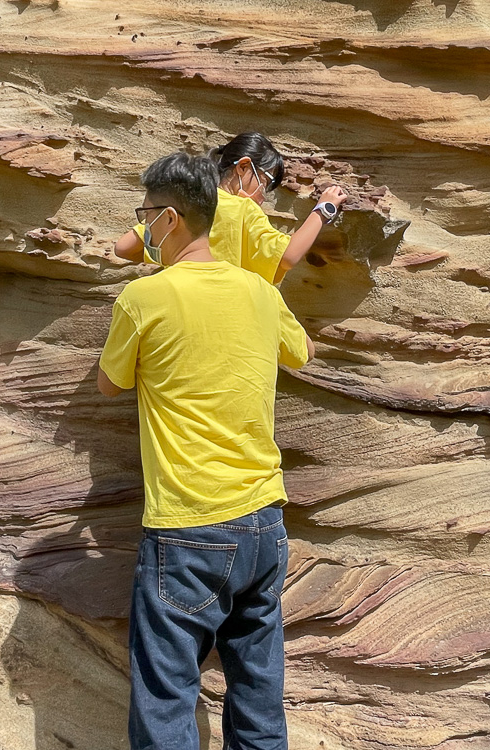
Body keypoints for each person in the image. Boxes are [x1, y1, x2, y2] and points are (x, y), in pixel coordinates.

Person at [97, 151, 315, 750]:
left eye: (145, 214)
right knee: (260, 703)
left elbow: (110, 382)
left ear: (169, 219)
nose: (141, 225)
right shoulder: (259, 294)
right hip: (265, 522)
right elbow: (302, 353)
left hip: (187, 528)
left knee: (167, 705)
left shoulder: (145, 299)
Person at [113, 132, 348, 285]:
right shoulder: (242, 208)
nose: (262, 197)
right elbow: (287, 256)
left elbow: (123, 248)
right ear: (243, 167)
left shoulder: (188, 202)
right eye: (264, 183)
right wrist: (323, 209)